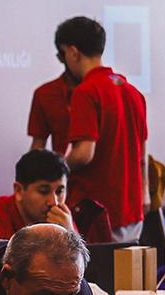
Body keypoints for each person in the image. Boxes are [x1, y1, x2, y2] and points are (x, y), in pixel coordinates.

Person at [55, 15, 148, 243]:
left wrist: (55, 169)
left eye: (62, 54)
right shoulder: (133, 92)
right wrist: (145, 193)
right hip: (132, 210)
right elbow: (142, 155)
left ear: (73, 52)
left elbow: (83, 154)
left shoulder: (86, 92)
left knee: (96, 267)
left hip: (97, 213)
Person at [0, 148, 101, 242]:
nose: (54, 202)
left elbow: (83, 272)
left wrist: (71, 238)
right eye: (43, 191)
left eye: (59, 191)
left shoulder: (63, 220)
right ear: (19, 191)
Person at [26, 33, 80, 155]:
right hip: (64, 166)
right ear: (60, 57)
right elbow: (38, 145)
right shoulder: (45, 94)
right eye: (75, 55)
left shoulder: (110, 88)